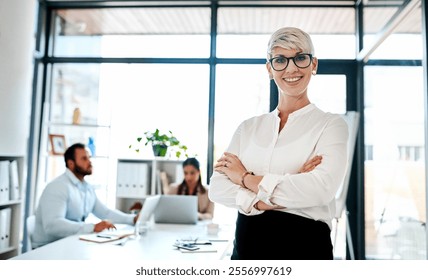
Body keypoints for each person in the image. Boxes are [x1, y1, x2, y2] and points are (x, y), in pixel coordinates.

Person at [208, 27, 349, 260]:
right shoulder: (248, 128)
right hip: (247, 251)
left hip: (305, 248)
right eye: (280, 60)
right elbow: (217, 188)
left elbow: (320, 190)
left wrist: (245, 179)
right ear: (269, 69)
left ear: (313, 64)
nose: (291, 68)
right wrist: (288, 187)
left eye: (300, 58)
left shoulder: (331, 125)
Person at [32, 143, 138, 248]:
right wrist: (92, 227)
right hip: (48, 247)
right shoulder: (58, 187)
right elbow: (52, 225)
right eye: (84, 159)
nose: (90, 162)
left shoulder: (86, 187)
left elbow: (105, 212)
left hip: (70, 242)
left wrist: (132, 219)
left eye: (89, 158)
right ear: (71, 164)